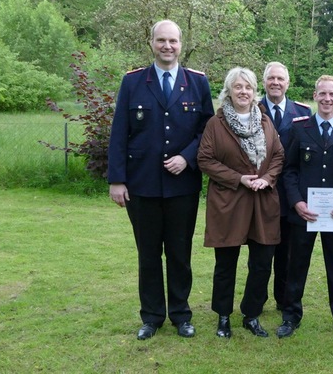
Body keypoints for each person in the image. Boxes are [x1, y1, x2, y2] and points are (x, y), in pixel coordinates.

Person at [108, 20, 214, 340]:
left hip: (182, 186)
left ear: (181, 44)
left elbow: (207, 131)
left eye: (173, 41)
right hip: (142, 185)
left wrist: (188, 157)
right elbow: (119, 134)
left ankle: (181, 314)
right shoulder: (133, 82)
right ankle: (152, 316)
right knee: (149, 253)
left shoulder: (197, 82)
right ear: (151, 43)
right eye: (161, 41)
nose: (167, 46)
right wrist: (117, 180)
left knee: (180, 253)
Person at [197, 67, 285, 338]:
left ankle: (252, 314)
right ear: (229, 91)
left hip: (262, 202)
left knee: (261, 263)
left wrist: (267, 178)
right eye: (238, 87)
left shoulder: (266, 121)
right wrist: (239, 178)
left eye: (248, 87)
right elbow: (205, 159)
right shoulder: (216, 123)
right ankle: (223, 316)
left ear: (253, 91)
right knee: (226, 264)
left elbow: (279, 156)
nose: (243, 92)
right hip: (229, 202)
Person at [276, 75, 333, 338]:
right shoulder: (299, 128)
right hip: (305, 213)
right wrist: (296, 202)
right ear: (314, 96)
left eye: (332, 94)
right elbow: (289, 169)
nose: (327, 99)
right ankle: (290, 316)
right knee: (296, 265)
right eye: (322, 94)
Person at [258, 62, 312, 311]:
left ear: (288, 83)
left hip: (290, 193)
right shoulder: (251, 108)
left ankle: (283, 300)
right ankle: (256, 300)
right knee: (261, 251)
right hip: (259, 192)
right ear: (264, 81)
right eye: (271, 78)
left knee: (287, 252)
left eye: (280, 78)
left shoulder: (302, 112)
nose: (276, 83)